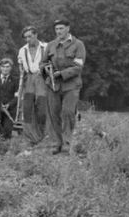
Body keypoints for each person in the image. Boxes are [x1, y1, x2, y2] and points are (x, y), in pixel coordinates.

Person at [40, 18, 86, 154]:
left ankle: (67, 143)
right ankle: (56, 143)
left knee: (68, 113)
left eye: (61, 28)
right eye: (56, 29)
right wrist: (46, 70)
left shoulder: (78, 45)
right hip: (53, 85)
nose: (58, 31)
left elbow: (78, 67)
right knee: (53, 113)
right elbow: (42, 63)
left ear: (68, 28)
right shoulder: (51, 45)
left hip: (71, 85)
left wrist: (62, 73)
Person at [17, 26, 48, 145]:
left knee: (42, 108)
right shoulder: (22, 50)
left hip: (42, 78)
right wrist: (20, 88)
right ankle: (31, 138)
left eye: (30, 36)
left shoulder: (46, 47)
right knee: (27, 109)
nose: (28, 39)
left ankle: (43, 135)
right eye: (25, 37)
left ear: (36, 35)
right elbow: (21, 70)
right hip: (29, 79)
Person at [0, 58, 18, 140]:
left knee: (7, 131)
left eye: (7, 67)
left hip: (10, 111)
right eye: (3, 67)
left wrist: (9, 105)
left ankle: (6, 151)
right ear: (0, 67)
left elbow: (17, 96)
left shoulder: (16, 80)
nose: (5, 69)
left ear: (11, 68)